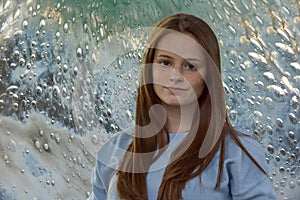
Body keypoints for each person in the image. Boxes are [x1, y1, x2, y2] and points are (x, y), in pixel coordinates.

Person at [88, 13, 277, 200]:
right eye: (165, 62)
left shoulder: (238, 151)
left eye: (190, 66)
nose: (176, 75)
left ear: (209, 77)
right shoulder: (115, 149)